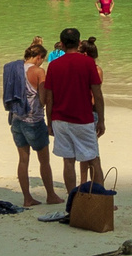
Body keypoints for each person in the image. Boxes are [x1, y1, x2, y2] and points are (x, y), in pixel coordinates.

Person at [42, 28, 105, 193]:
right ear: (79, 43)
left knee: (68, 161)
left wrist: (49, 122)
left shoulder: (54, 65)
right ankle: (100, 200)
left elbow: (49, 97)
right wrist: (102, 120)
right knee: (94, 160)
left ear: (61, 44)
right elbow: (97, 94)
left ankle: (72, 200)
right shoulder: (88, 63)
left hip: (60, 120)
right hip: (83, 119)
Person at [6, 42, 62, 206]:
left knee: (23, 160)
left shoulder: (15, 69)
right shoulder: (38, 71)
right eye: (42, 60)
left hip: (16, 119)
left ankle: (27, 198)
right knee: (44, 161)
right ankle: (51, 195)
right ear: (39, 57)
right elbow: (44, 100)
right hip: (34, 120)